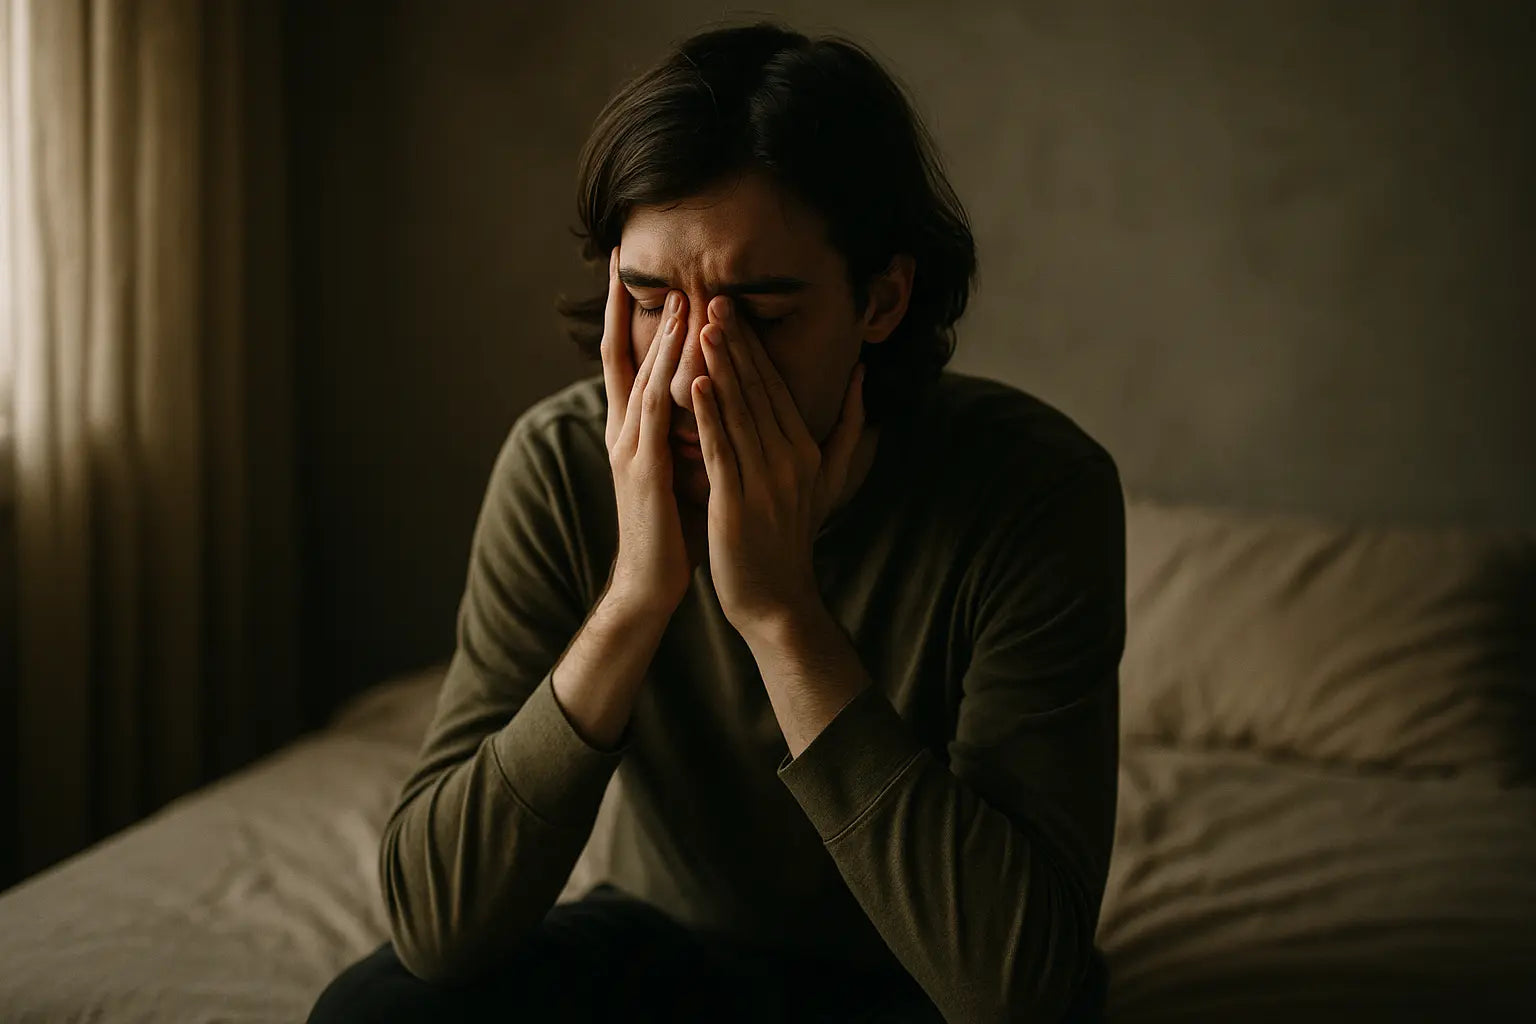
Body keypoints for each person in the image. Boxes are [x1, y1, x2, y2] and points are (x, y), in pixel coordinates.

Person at [309, 18, 1122, 1024]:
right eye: (652, 301)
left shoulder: (1035, 490)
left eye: (762, 317)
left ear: (883, 297)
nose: (692, 375)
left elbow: (1015, 985)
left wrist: (783, 616)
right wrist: (636, 598)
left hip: (921, 974)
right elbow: (437, 926)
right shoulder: (563, 465)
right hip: (669, 944)